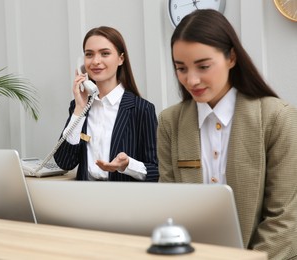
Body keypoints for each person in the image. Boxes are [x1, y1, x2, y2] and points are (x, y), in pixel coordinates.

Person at [157, 9, 297, 259]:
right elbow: (169, 209)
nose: (192, 80)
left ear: (231, 57)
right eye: (181, 68)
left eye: (203, 66)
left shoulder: (277, 118)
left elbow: (285, 220)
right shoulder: (170, 123)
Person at [54, 26, 158, 182]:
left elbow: (155, 171)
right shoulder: (79, 107)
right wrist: (79, 109)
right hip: (85, 198)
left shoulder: (141, 109)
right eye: (89, 54)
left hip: (124, 200)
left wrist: (127, 164)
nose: (96, 61)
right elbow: (64, 162)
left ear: (121, 59)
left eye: (105, 53)